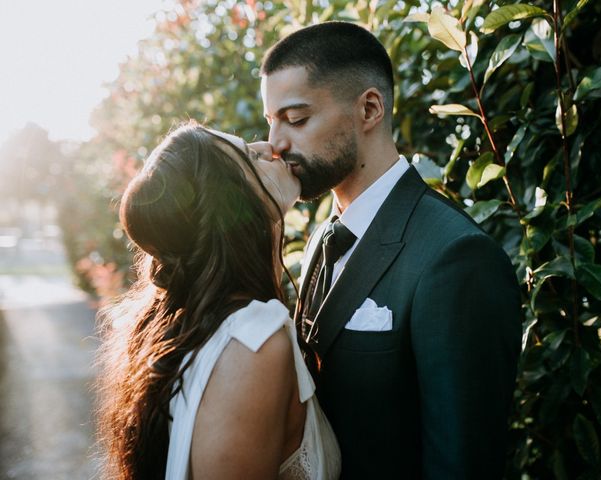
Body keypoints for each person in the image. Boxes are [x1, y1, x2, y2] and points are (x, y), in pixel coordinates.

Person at [259, 22, 522, 478]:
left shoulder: (456, 258)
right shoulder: (325, 237)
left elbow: (463, 465)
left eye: (296, 119)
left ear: (370, 108)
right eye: (272, 122)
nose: (278, 143)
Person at [95, 123, 341, 480]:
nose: (269, 146)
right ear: (232, 201)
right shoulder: (253, 342)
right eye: (249, 156)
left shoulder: (194, 325)